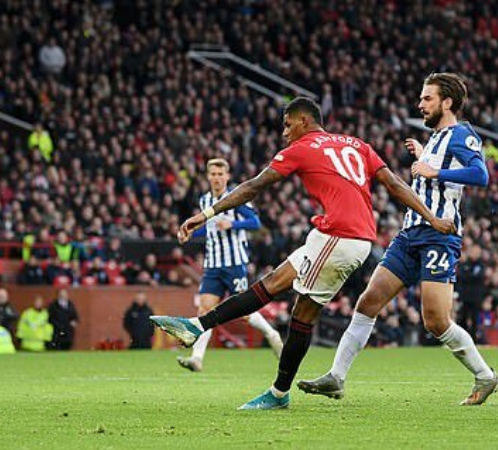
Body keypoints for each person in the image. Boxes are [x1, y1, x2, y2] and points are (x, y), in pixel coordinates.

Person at [151, 97, 455, 410]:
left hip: (339, 235)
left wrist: (208, 213)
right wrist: (431, 217)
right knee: (289, 299)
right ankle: (269, 385)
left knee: (279, 293)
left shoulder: (302, 147)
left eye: (287, 124)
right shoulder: (356, 144)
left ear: (304, 122)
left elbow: (255, 185)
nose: (284, 133)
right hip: (345, 237)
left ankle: (201, 329)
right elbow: (393, 183)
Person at [299, 73, 498, 406]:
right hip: (410, 234)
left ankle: (485, 376)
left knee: (436, 320)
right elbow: (433, 170)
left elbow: (480, 174)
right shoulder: (436, 138)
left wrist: (436, 172)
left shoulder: (462, 134)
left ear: (447, 102)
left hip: (439, 237)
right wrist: (426, 159)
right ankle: (336, 377)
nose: (419, 104)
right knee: (368, 302)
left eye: (427, 98)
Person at [176, 158, 283, 372]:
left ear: (227, 176)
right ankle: (197, 358)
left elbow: (255, 223)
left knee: (244, 311)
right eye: (213, 174)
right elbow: (210, 229)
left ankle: (272, 334)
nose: (216, 178)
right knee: (204, 309)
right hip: (213, 264)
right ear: (208, 177)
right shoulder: (205, 201)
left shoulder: (236, 198)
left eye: (220, 174)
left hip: (234, 263)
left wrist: (233, 223)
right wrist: (191, 233)